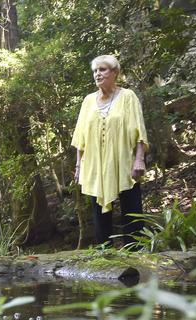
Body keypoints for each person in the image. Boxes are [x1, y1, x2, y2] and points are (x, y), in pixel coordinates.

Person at [71, 55, 148, 246]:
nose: (97, 74)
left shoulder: (128, 97)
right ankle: (104, 254)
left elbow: (139, 130)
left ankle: (136, 252)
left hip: (123, 162)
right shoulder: (88, 101)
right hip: (95, 165)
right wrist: (79, 165)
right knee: (99, 213)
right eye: (95, 71)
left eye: (102, 69)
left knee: (132, 209)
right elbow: (80, 136)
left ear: (115, 73)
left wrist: (139, 159)